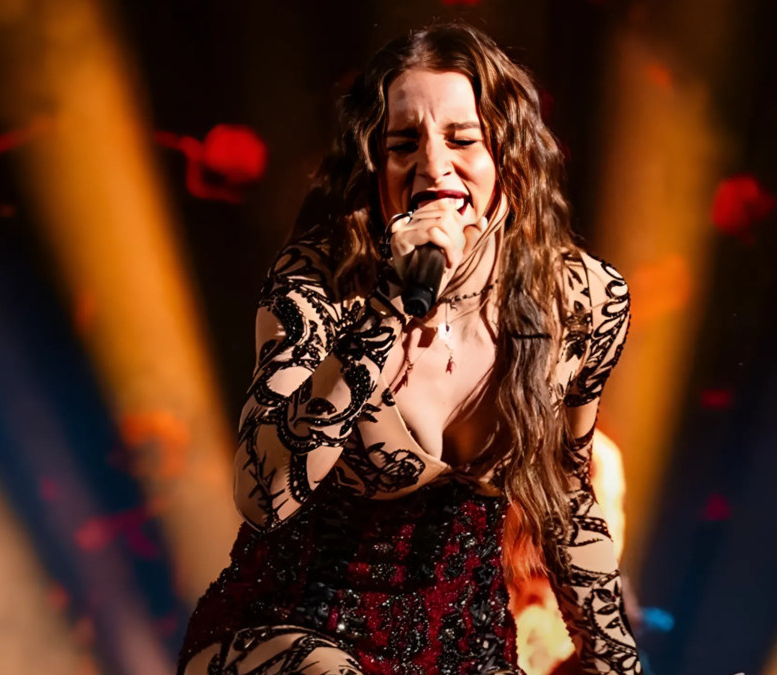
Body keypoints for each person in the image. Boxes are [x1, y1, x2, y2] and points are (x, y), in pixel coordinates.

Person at [178, 21, 639, 675]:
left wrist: (616, 662)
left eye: (462, 139)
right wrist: (385, 311)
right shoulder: (320, 283)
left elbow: (569, 504)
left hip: (464, 650)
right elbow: (264, 494)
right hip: (294, 632)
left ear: (510, 155)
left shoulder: (581, 300)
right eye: (403, 144)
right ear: (375, 165)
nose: (433, 165)